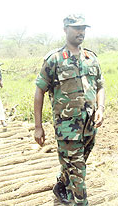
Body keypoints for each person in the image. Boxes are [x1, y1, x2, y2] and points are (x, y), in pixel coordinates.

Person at [34, 14, 105, 206]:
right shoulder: (54, 59)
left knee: (73, 163)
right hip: (67, 128)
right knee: (78, 169)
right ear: (65, 29)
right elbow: (39, 90)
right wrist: (38, 127)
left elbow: (100, 86)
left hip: (89, 125)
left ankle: (61, 185)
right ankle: (80, 202)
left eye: (83, 28)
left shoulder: (91, 58)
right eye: (76, 28)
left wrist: (101, 108)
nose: (80, 32)